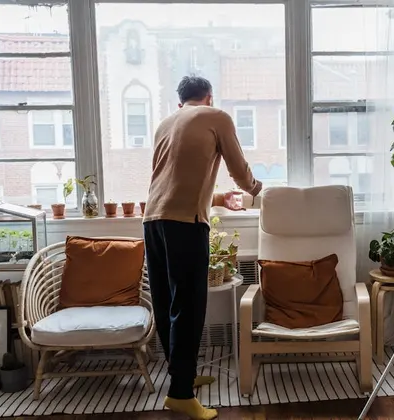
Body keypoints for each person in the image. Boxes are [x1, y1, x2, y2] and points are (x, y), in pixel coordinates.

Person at [143, 75, 263, 420]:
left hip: (154, 220)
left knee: (168, 303)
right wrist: (256, 188)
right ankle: (181, 393)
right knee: (190, 305)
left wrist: (218, 197)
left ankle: (182, 379)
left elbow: (172, 182)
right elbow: (239, 170)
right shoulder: (217, 117)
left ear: (181, 102)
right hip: (185, 224)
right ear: (209, 98)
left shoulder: (166, 123)